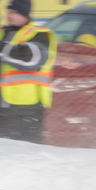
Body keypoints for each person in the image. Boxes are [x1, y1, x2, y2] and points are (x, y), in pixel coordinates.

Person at [0, 0, 56, 144]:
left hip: (25, 109)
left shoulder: (39, 34)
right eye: (8, 11)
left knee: (24, 151)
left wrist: (2, 50)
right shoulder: (3, 33)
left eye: (13, 12)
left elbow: (32, 59)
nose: (8, 15)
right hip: (3, 108)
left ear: (24, 15)